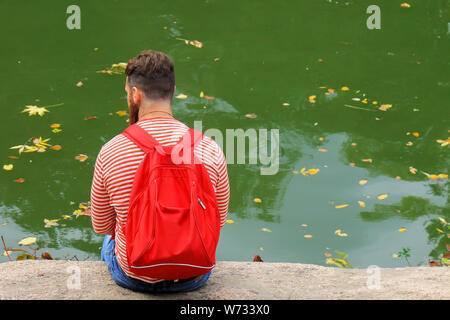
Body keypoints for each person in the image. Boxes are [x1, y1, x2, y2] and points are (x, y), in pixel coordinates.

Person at [90, 50, 230, 293]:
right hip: (194, 275)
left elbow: (102, 225)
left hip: (134, 275)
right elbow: (218, 219)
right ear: (173, 91)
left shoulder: (111, 151)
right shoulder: (209, 148)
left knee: (108, 241)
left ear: (135, 94)